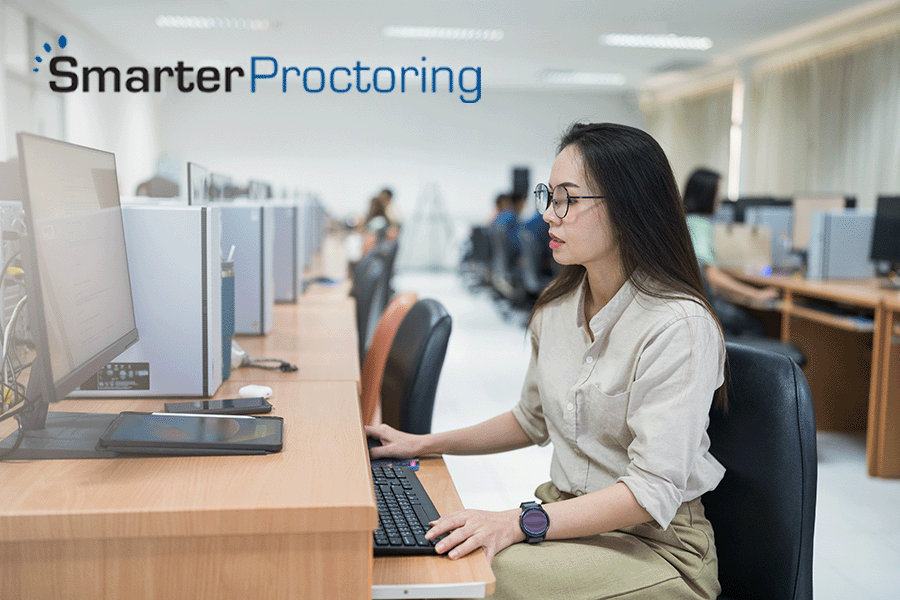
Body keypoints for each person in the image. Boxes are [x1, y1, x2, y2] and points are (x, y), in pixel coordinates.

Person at [368, 123, 726, 600]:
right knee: (448, 558)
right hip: (569, 523)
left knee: (474, 579)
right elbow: (530, 419)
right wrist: (421, 442)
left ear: (627, 207)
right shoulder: (557, 308)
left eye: (567, 199)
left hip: (656, 547)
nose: (548, 217)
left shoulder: (676, 326)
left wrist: (519, 523)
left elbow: (650, 492)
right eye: (548, 196)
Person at [683, 168, 778, 304]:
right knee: (756, 326)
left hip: (692, 301)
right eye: (717, 193)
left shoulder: (685, 221)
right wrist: (756, 293)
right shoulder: (699, 225)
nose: (719, 198)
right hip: (703, 303)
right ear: (707, 195)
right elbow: (710, 274)